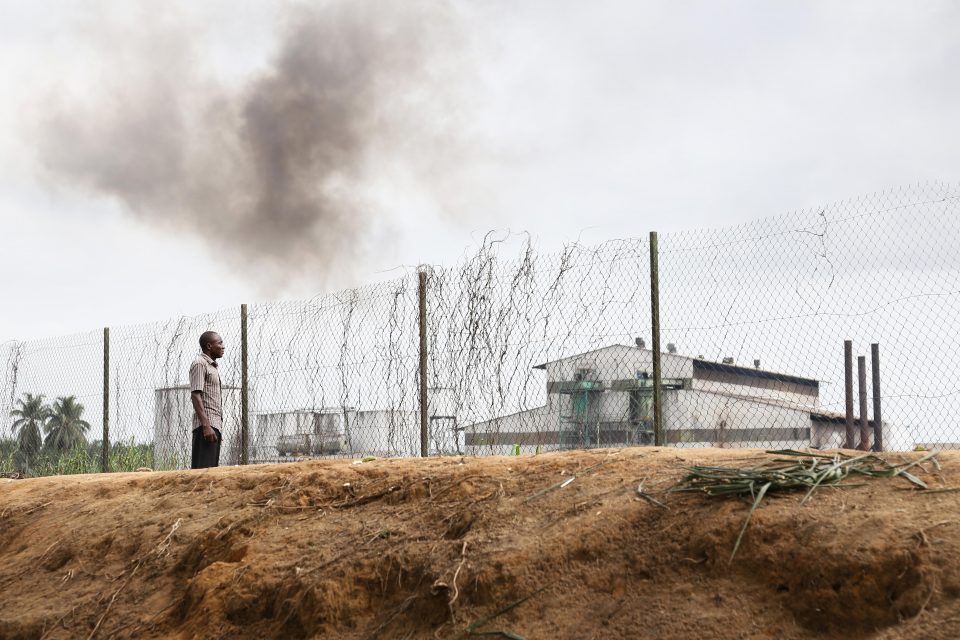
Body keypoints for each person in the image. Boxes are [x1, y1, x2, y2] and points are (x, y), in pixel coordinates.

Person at [189, 331, 225, 469]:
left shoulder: (212, 367)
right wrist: (206, 426)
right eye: (220, 343)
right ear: (209, 346)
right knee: (202, 473)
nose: (223, 346)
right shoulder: (200, 364)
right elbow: (195, 395)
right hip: (206, 427)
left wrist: (216, 428)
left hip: (213, 426)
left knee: (211, 473)